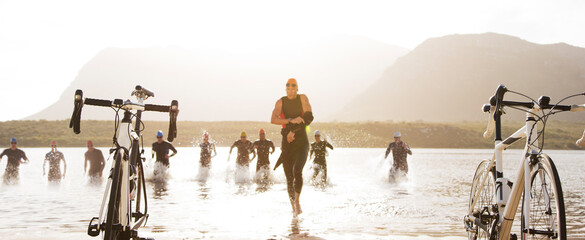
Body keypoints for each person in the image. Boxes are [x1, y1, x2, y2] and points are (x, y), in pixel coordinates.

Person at [271, 78, 314, 216]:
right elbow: (273, 119)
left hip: (301, 141)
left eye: (293, 88)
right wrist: (290, 120)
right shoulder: (280, 102)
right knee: (289, 177)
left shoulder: (302, 98)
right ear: (286, 89)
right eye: (288, 89)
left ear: (297, 89)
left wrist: (293, 131)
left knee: (297, 171)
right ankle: (293, 208)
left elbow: (309, 117)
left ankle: (297, 201)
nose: (290, 91)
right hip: (287, 144)